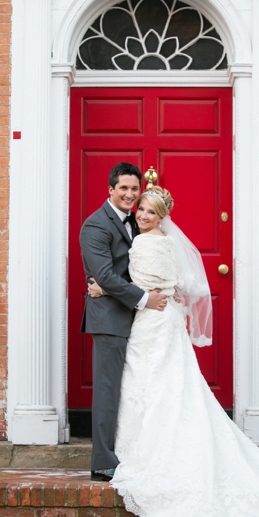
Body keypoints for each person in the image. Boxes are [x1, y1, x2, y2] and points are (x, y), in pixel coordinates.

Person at [87, 184, 259, 517]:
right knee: (169, 383)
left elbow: (132, 282)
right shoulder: (168, 243)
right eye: (140, 208)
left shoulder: (143, 242)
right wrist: (162, 292)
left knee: (152, 382)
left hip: (151, 321)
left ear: (161, 216)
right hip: (164, 318)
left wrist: (103, 289)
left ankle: (150, 448)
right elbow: (175, 283)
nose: (142, 215)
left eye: (150, 212)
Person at [79, 162, 168, 482]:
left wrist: (115, 287)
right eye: (124, 189)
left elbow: (132, 268)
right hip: (110, 319)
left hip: (141, 320)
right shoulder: (95, 226)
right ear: (110, 190)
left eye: (134, 189)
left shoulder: (137, 220)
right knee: (107, 389)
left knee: (139, 386)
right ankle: (103, 461)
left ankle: (139, 451)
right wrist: (144, 298)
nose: (130, 194)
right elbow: (103, 273)